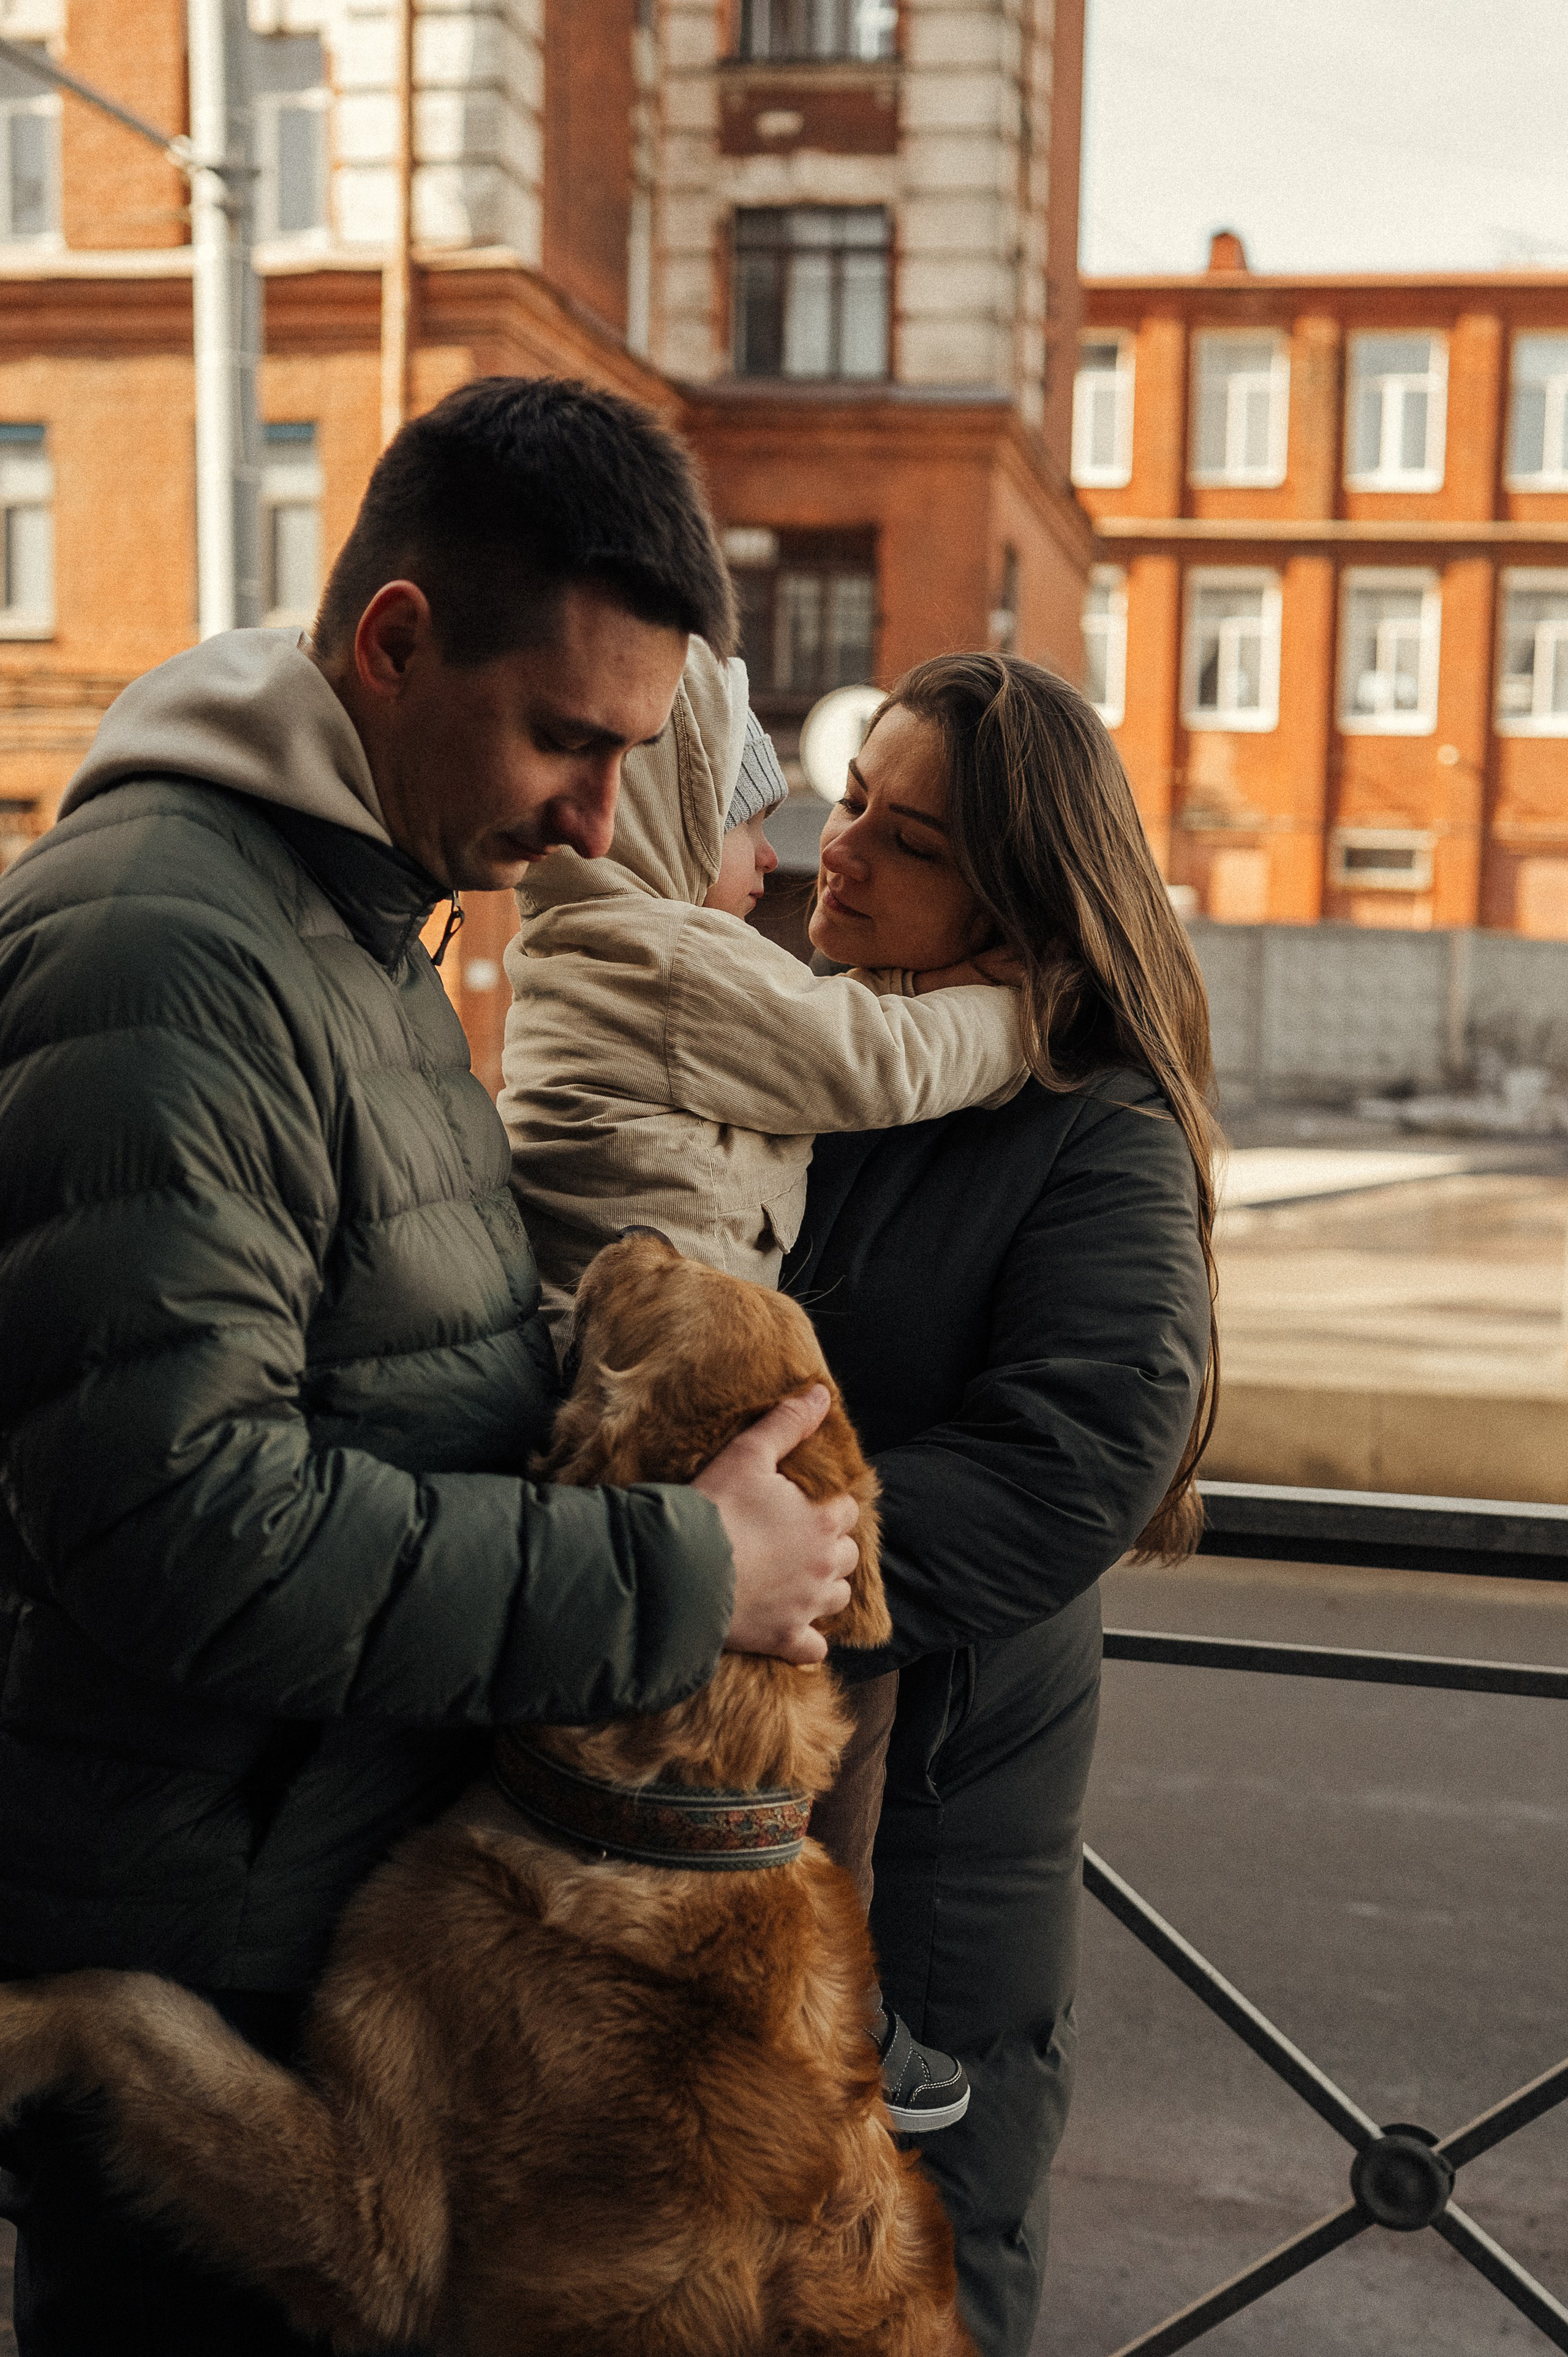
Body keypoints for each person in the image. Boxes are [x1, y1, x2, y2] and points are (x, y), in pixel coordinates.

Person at [0, 375, 859, 2356]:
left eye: (628, 754)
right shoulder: (165, 953)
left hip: (299, 1926)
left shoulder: (351, 919)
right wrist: (686, 1570)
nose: (594, 819)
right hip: (205, 1994)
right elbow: (184, 1527)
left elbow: (363, 1353)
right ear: (394, 643)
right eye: (568, 738)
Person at [782, 653, 1216, 2357]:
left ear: (1022, 901)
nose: (843, 850)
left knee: (908, 2280)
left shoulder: (1089, 1127)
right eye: (849, 802)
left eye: (910, 839)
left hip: (929, 1829)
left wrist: (755, 1572)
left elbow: (1078, 1451)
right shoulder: (814, 1045)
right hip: (726, 1796)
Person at [497, 634, 1026, 1344]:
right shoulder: (670, 960)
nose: (775, 856)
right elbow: (878, 1059)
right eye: (745, 824)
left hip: (616, 1333)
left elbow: (825, 1024)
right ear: (666, 831)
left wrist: (932, 983)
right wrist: (1019, 1008)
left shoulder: (591, 944)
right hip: (661, 1351)